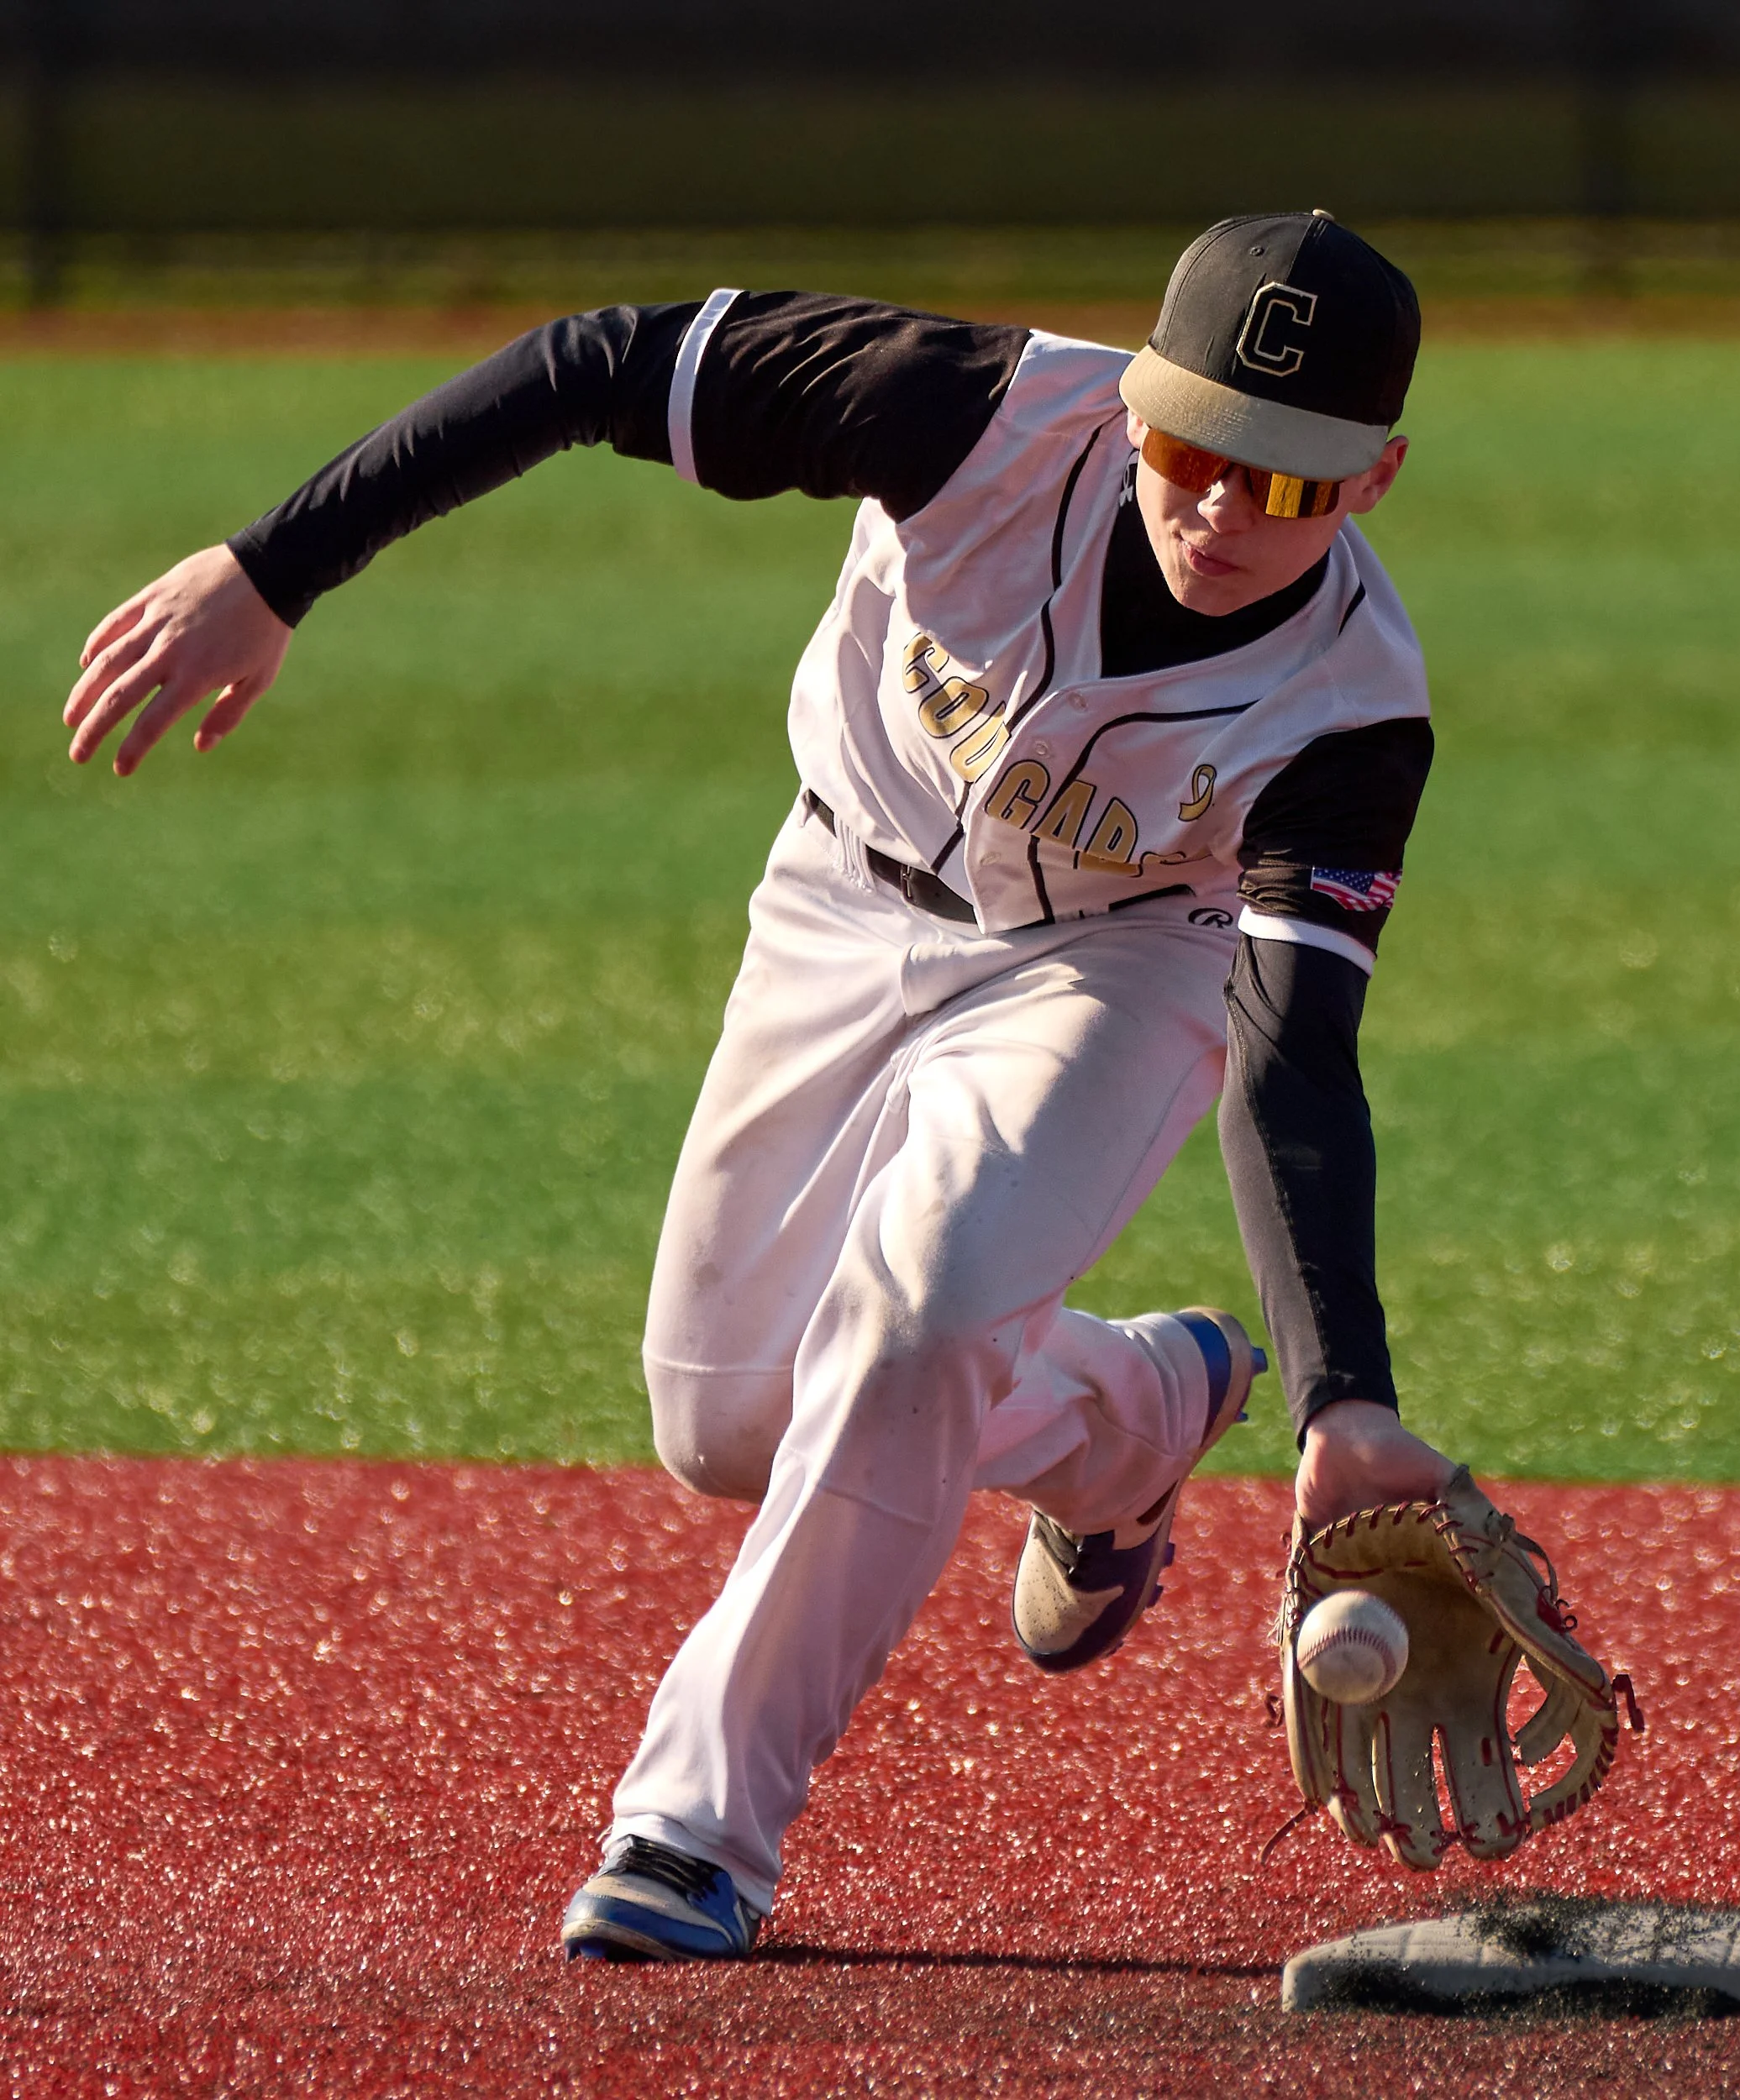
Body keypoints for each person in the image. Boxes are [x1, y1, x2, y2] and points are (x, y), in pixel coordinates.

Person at [64, 212, 1463, 1960]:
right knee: (725, 1420)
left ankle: (692, 1829)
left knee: (911, 1315)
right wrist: (274, 567)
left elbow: (1292, 1049)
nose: (1224, 512)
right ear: (1135, 406)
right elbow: (590, 366)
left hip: (1119, 969)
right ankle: (1119, 1417)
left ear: (1377, 477)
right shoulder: (958, 408)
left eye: (1293, 484)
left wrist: (1342, 1391)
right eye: (1193, 450)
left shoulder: (1346, 712)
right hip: (838, 888)